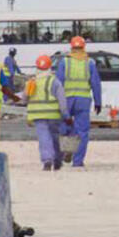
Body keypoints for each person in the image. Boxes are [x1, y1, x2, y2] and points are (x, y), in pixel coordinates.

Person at [55, 36, 102, 167]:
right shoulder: (90, 63)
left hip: (67, 99)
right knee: (82, 131)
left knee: (64, 128)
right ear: (83, 47)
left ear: (71, 47)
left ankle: (66, 150)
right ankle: (78, 161)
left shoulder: (65, 62)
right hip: (83, 100)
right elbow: (96, 84)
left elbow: (58, 83)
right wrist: (98, 102)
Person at [26, 55, 69, 170]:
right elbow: (62, 99)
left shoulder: (32, 81)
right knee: (55, 137)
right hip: (54, 115)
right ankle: (58, 160)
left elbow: (25, 97)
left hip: (38, 115)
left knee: (44, 137)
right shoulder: (54, 81)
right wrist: (66, 114)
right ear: (50, 67)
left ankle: (47, 160)